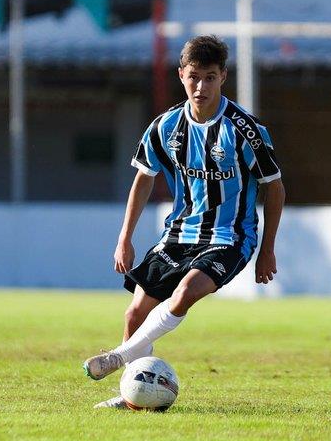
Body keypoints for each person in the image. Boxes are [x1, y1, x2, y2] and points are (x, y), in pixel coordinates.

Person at [84, 35, 285, 409]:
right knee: (135, 313)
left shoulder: (245, 130)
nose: (201, 86)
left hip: (230, 236)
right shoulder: (165, 127)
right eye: (194, 76)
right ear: (181, 75)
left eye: (210, 77)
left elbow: (274, 188)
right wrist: (124, 237)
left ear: (223, 76)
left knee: (187, 292)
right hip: (179, 234)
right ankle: (132, 398)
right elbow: (144, 178)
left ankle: (118, 358)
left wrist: (267, 249)